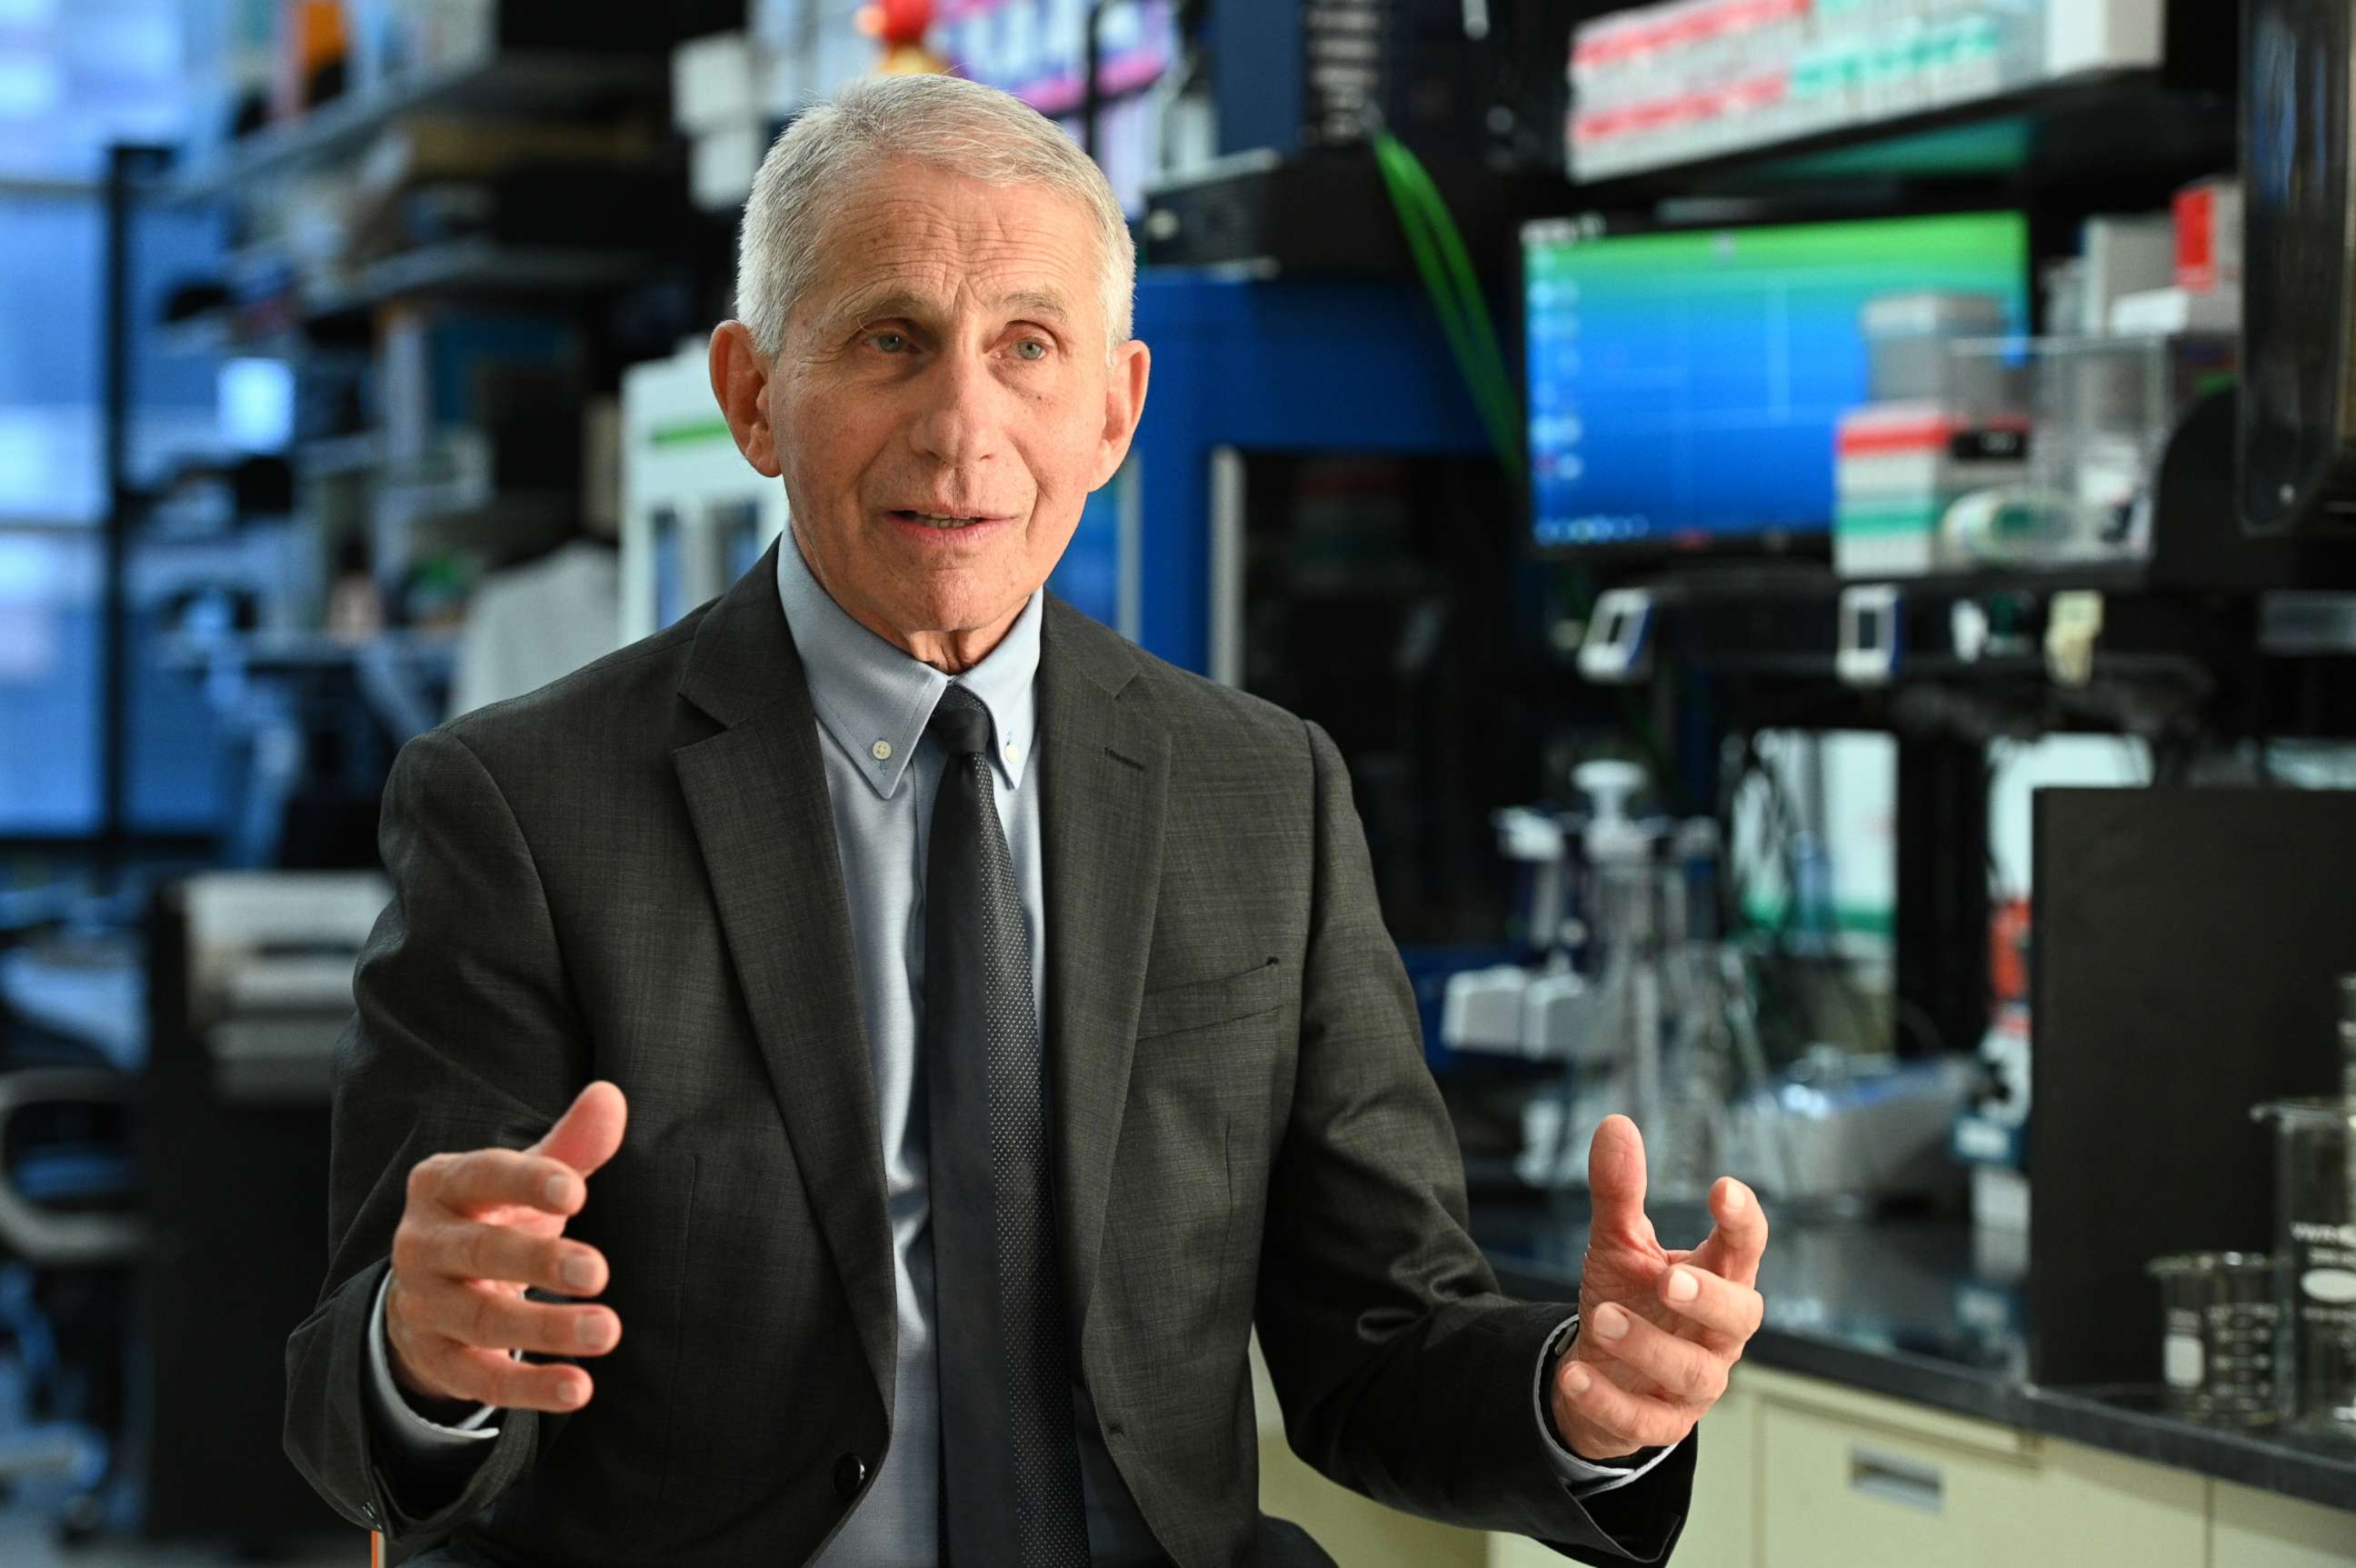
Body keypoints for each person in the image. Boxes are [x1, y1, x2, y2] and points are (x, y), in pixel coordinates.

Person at [284, 72, 1767, 1568]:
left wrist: (1584, 1403)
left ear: (1115, 410)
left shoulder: (1265, 794)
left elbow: (1377, 1339)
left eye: (1028, 348)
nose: (961, 428)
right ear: (752, 396)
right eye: (891, 341)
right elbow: (355, 1417)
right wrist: (422, 1356)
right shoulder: (525, 807)